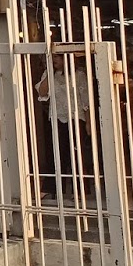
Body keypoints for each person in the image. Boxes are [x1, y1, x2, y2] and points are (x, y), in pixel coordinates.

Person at [34, 53, 94, 201]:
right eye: (53, 57)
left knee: (76, 155)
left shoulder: (78, 75)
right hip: (56, 117)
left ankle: (79, 190)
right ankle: (50, 188)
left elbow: (86, 100)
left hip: (75, 117)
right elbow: (42, 93)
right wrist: (49, 72)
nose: (55, 60)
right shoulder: (50, 74)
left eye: (58, 57)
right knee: (54, 154)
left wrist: (88, 123)